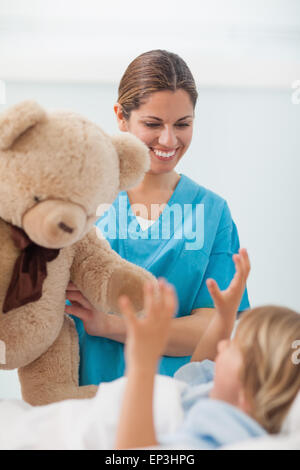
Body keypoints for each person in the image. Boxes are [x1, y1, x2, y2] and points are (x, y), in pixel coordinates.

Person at [65, 49, 249, 386]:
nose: (168, 139)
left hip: (176, 408)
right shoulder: (80, 199)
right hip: (86, 404)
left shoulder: (212, 213)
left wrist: (111, 325)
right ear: (121, 116)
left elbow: (210, 327)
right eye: (152, 124)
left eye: (183, 124)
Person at [115, 248, 300, 449]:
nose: (222, 344)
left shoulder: (225, 431)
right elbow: (199, 372)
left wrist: (142, 364)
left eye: (234, 346)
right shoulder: (224, 407)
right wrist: (225, 315)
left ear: (248, 391)